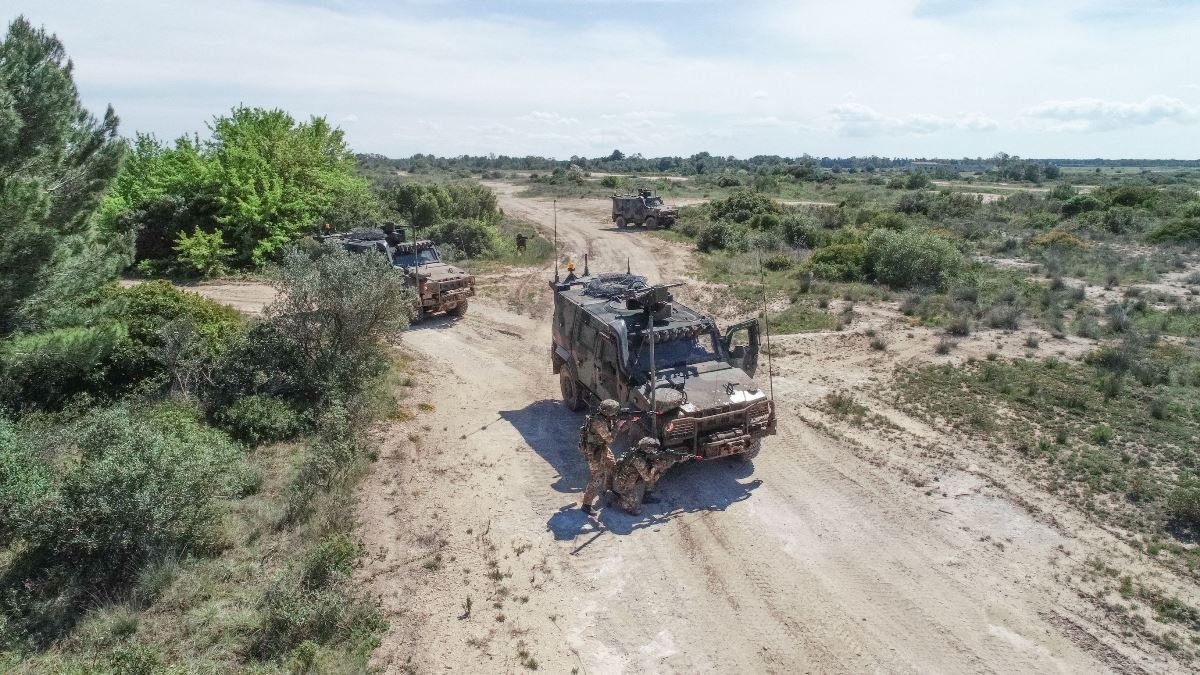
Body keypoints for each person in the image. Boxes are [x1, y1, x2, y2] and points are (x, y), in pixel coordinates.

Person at [578, 399, 620, 514]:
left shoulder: (602, 416)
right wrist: (618, 425)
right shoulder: (598, 422)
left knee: (612, 465)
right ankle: (586, 505)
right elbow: (610, 439)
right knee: (597, 477)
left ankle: (608, 489)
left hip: (601, 448)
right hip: (594, 452)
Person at [612, 437, 663, 516]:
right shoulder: (638, 460)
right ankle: (621, 499)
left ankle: (646, 495)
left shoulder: (633, 450)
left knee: (652, 475)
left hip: (624, 476)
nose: (655, 450)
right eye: (653, 448)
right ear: (647, 449)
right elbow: (647, 478)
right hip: (624, 484)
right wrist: (655, 467)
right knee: (636, 510)